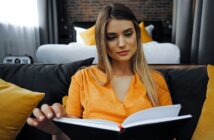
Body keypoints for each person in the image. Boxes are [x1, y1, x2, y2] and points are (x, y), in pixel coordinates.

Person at [27, 3, 172, 140]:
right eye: (111, 37)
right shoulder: (82, 78)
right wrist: (58, 131)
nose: (122, 44)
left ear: (137, 35)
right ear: (102, 41)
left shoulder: (156, 80)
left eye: (128, 34)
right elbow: (69, 136)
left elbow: (169, 134)